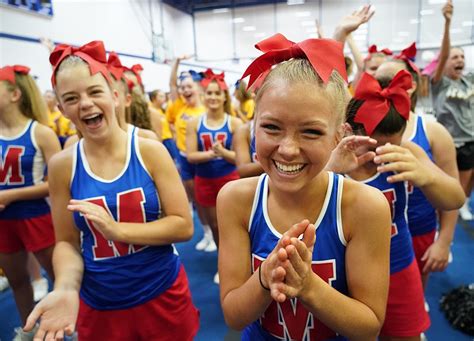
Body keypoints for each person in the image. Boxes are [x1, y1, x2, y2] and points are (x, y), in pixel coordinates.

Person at [217, 33, 392, 340]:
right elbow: (233, 315)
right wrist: (263, 278)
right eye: (271, 127)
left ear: (338, 137)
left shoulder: (365, 206)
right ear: (253, 125)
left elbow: (368, 326)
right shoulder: (235, 199)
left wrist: (310, 288)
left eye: (310, 132)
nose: (287, 149)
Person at [24, 41, 199, 340]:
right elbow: (66, 242)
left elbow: (183, 226)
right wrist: (65, 287)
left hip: (161, 293)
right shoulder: (62, 165)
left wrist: (118, 231)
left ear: (115, 96)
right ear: (62, 109)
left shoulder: (149, 150)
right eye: (72, 98)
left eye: (94, 92)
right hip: (100, 304)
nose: (86, 103)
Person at [345, 69, 464, 340]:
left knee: (404, 335)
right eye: (374, 145)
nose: (382, 152)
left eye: (392, 143)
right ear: (350, 131)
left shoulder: (409, 151)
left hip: (398, 261)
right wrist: (330, 170)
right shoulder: (336, 155)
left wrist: (428, 176)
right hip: (347, 268)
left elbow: (455, 197)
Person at [376, 58, 459, 290]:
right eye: (378, 81)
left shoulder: (433, 131)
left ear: (411, 84)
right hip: (375, 231)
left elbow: (453, 193)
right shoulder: (364, 128)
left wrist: (444, 242)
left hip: (419, 228)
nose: (383, 87)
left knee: (415, 290)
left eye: (389, 80)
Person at [0, 65, 61, 339]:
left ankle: (67, 326)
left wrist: (10, 195)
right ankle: (28, 329)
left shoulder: (41, 133)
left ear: (14, 94)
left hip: (36, 216)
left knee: (59, 278)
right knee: (17, 280)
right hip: (3, 222)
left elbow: (58, 183)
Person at [186, 69, 242, 283]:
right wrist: (212, 153)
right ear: (203, 95)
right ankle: (223, 262)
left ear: (224, 97)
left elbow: (240, 159)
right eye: (209, 93)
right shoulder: (194, 123)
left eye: (217, 93)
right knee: (216, 226)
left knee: (236, 225)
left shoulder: (234, 123)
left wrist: (223, 153)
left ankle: (239, 261)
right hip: (205, 181)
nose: (212, 97)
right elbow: (191, 155)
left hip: (230, 180)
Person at [431, 0, 474, 221]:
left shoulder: (468, 82)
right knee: (448, 183)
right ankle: (446, 214)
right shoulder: (440, 83)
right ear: (444, 63)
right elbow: (444, 51)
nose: (460, 60)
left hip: (469, 139)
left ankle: (462, 204)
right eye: (455, 57)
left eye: (462, 57)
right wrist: (447, 24)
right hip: (449, 141)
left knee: (467, 179)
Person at [149, 89, 178, 160]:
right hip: (161, 140)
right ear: (153, 98)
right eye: (161, 96)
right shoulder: (150, 111)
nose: (164, 98)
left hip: (169, 139)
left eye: (164, 96)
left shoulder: (163, 111)